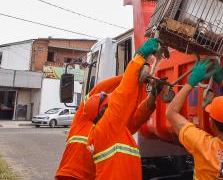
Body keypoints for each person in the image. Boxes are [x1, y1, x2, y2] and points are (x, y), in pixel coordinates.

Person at [55, 38, 159, 180]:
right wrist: (136, 66)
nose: (110, 98)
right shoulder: (106, 126)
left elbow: (136, 119)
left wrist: (151, 95)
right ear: (102, 110)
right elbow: (119, 94)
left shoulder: (104, 127)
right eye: (107, 100)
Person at [166, 60, 223, 179]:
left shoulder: (202, 145)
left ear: (212, 124)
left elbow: (171, 113)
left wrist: (192, 81)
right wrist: (222, 80)